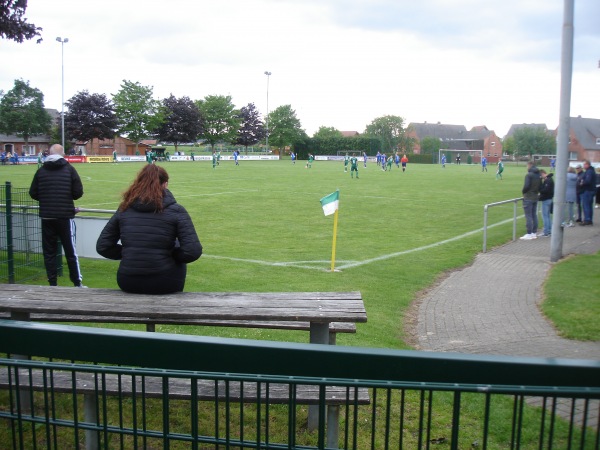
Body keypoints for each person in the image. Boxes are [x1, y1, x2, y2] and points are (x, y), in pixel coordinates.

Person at [96, 165, 202, 295]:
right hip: (164, 280)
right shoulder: (176, 210)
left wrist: (131, 254)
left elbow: (104, 246)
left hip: (128, 280)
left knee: (175, 244)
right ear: (165, 184)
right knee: (176, 244)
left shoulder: (124, 209)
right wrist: (170, 255)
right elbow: (192, 251)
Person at [29, 144, 85, 287]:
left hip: (47, 216)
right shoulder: (69, 169)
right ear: (63, 154)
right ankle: (77, 283)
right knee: (70, 252)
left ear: (49, 153)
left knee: (49, 253)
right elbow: (78, 192)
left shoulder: (41, 171)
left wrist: (47, 200)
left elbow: (33, 192)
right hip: (64, 216)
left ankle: (52, 284)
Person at [519, 161, 541, 240]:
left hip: (528, 197)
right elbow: (540, 186)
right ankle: (534, 233)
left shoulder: (529, 175)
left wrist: (524, 192)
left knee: (528, 216)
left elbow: (526, 186)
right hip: (535, 196)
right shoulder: (538, 175)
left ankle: (529, 233)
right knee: (534, 215)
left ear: (529, 165)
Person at [579, 159, 596, 225]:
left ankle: (587, 219)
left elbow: (588, 181)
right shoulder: (591, 171)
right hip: (591, 190)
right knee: (589, 206)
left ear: (587, 165)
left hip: (588, 190)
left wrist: (582, 182)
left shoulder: (589, 172)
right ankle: (589, 219)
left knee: (586, 205)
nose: (583, 166)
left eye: (584, 164)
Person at [538, 169, 554, 237]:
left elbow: (545, 190)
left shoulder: (548, 180)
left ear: (542, 174)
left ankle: (546, 231)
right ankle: (549, 230)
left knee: (545, 216)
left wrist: (540, 189)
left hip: (546, 199)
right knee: (547, 216)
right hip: (549, 199)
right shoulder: (549, 179)